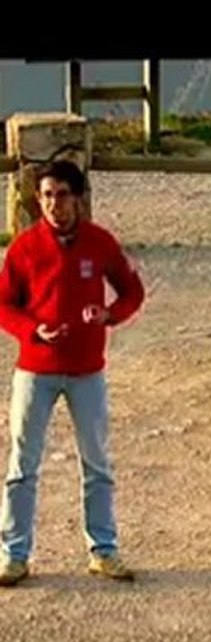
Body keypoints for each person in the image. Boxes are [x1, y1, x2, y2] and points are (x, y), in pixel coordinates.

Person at [0, 159, 145, 586]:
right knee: (22, 466)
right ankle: (14, 555)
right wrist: (32, 330)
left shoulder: (100, 243)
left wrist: (110, 314)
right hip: (36, 370)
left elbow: (132, 291)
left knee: (96, 464)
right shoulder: (24, 248)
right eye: (46, 195)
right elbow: (4, 304)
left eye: (62, 195)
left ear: (78, 198)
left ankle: (103, 550)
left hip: (87, 372)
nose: (53, 204)